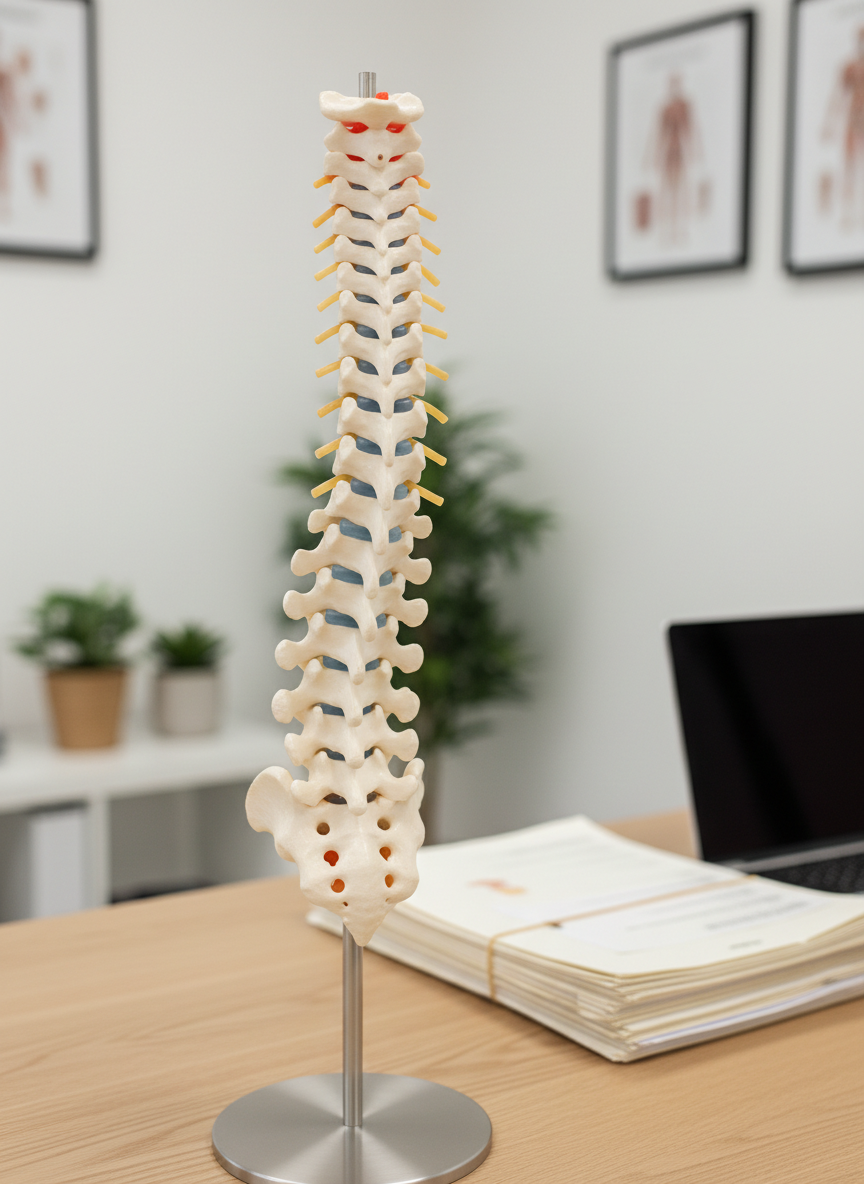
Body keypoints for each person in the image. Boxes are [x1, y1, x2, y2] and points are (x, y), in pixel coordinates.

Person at [823, 27, 864, 228]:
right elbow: (838, 96)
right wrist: (829, 124)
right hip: (853, 120)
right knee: (850, 166)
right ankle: (849, 212)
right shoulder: (851, 67)